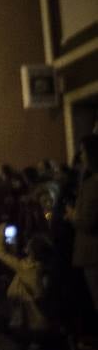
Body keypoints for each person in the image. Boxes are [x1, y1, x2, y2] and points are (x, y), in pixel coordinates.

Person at [0, 221, 59, 350]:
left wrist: (0, 234)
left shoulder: (26, 268)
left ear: (33, 252)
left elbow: (2, 254)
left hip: (30, 324)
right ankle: (37, 342)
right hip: (44, 323)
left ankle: (30, 343)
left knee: (0, 322)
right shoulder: (44, 268)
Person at [68, 134, 98, 333]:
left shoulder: (93, 184)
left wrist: (71, 215)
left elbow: (87, 221)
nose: (81, 157)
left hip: (93, 254)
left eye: (83, 152)